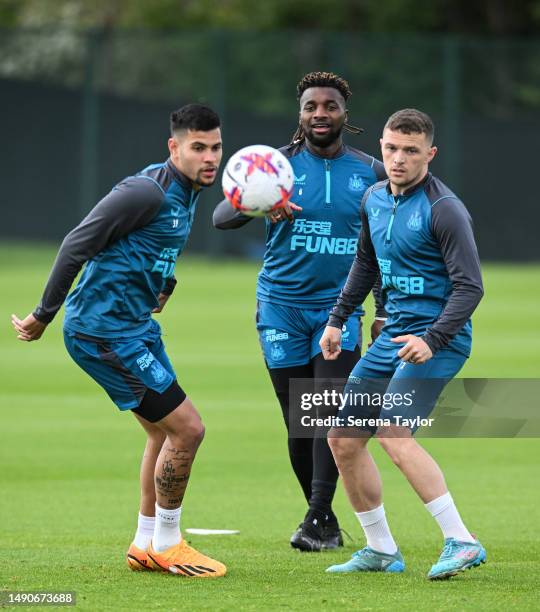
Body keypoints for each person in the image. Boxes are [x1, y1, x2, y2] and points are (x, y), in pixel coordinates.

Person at [11, 104, 227, 578]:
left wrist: (164, 287)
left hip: (135, 327)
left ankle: (145, 543)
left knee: (161, 431)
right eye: (198, 148)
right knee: (189, 429)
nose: (209, 157)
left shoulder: (189, 190)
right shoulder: (143, 191)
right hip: (103, 332)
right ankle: (169, 545)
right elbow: (76, 243)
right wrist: (44, 314)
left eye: (215, 147)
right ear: (174, 148)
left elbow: (156, 248)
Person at [213, 72, 386, 551]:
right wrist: (261, 203)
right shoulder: (276, 167)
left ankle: (313, 518)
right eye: (312, 107)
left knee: (327, 413)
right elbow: (221, 218)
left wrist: (383, 311)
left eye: (330, 106)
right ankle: (325, 519)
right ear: (301, 113)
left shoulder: (370, 171)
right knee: (299, 421)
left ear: (344, 113)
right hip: (280, 309)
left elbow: (390, 243)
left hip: (339, 311)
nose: (320, 115)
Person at [319, 108, 486, 579]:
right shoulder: (373, 197)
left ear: (429, 154)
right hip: (392, 337)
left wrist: (433, 339)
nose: (398, 159)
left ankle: (462, 540)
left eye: (411, 151)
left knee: (393, 431)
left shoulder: (444, 209)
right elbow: (365, 266)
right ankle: (381, 550)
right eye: (391, 148)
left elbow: (470, 287)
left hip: (439, 341)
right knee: (344, 440)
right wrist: (337, 320)